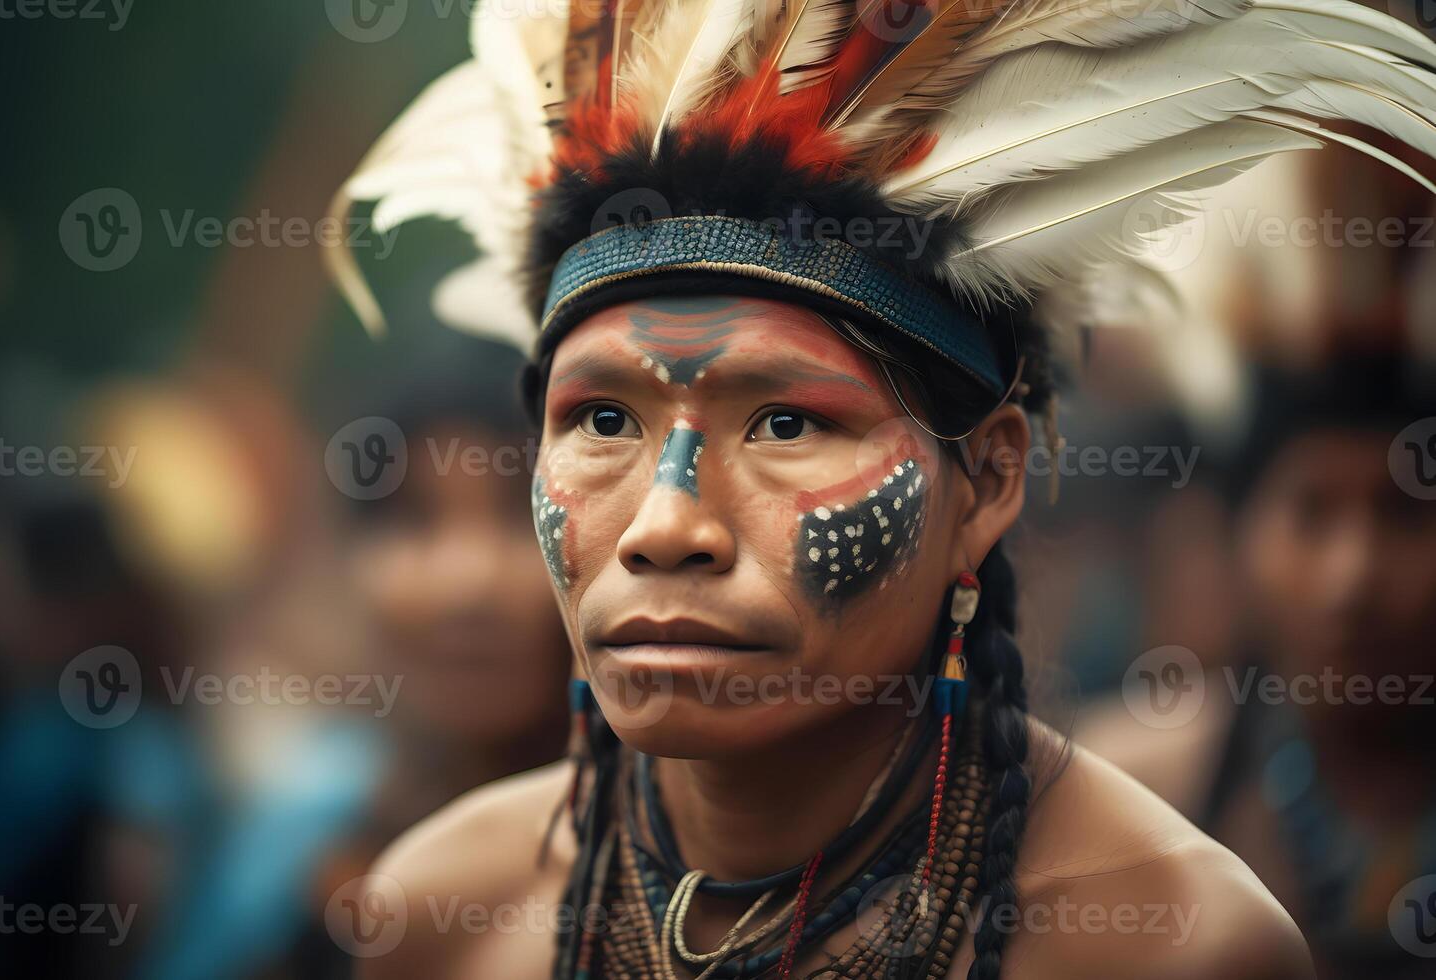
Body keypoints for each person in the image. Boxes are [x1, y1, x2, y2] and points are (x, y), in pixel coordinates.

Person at [326, 0, 1436, 975]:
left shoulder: (1169, 944)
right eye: (602, 418)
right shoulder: (439, 914)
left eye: (789, 421)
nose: (666, 524)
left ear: (990, 476)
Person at [1080, 355, 1436, 979]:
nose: (1352, 576)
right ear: (1239, 538)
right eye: (1310, 513)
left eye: (1404, 515)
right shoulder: (1134, 790)